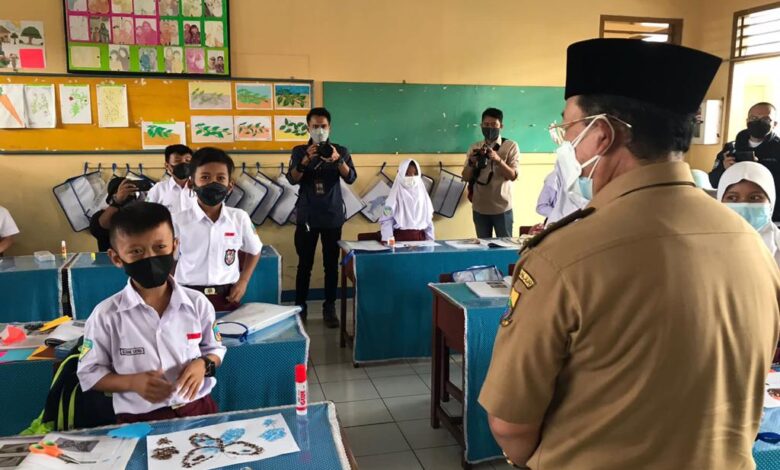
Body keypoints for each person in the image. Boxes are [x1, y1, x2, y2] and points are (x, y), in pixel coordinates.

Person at [479, 38, 780, 470]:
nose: (568, 145)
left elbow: (510, 424)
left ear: (601, 134)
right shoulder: (750, 242)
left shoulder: (562, 256)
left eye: (568, 129)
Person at [77, 202, 225, 424]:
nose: (150, 258)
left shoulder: (197, 303)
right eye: (136, 251)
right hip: (138, 419)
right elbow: (89, 373)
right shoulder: (106, 315)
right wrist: (132, 382)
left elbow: (214, 348)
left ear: (175, 246)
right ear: (117, 258)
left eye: (160, 247)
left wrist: (204, 364)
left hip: (198, 409)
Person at [287, 107, 357, 326]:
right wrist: (306, 160)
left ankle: (329, 308)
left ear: (330, 128)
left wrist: (338, 160)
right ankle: (301, 307)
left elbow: (352, 178)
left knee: (330, 265)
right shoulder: (299, 151)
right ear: (308, 127)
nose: (319, 130)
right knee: (304, 264)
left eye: (323, 126)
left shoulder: (341, 151)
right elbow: (292, 179)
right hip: (307, 216)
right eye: (315, 126)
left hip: (332, 216)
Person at [173, 147, 262, 312]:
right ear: (192, 183)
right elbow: (169, 261)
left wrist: (243, 281)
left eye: (221, 178)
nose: (213, 183)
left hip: (227, 298)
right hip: (188, 296)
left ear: (230, 185)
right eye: (205, 177)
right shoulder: (177, 221)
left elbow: (255, 250)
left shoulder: (239, 218)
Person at [709, 102, 780, 220]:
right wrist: (724, 169)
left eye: (766, 119)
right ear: (747, 121)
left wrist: (759, 170)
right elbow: (713, 181)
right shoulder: (731, 147)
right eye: (754, 118)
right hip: (734, 214)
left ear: (775, 124)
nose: (758, 122)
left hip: (771, 216)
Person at [462, 108, 519, 238]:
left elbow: (513, 176)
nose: (489, 128)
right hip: (480, 207)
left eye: (494, 125)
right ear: (481, 126)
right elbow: (465, 177)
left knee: (505, 248)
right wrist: (472, 162)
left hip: (502, 207)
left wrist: (498, 159)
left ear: (501, 126)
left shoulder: (511, 146)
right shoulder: (474, 147)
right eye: (486, 125)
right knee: (483, 248)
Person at [718, 161, 780, 265]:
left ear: (770, 202)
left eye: (755, 198)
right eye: (732, 198)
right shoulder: (705, 248)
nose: (744, 205)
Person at [379, 159, 434, 243]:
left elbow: (428, 219)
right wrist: (389, 243)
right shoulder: (393, 198)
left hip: (421, 240)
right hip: (399, 240)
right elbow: (386, 220)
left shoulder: (423, 196)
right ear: (400, 174)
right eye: (407, 174)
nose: (412, 177)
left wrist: (431, 241)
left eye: (415, 174)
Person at [89, 177, 139, 252]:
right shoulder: (100, 216)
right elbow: (100, 227)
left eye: (131, 196)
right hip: (109, 261)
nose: (129, 199)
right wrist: (117, 202)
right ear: (113, 197)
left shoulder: (139, 215)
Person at [146, 144, 197, 215]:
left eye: (187, 161)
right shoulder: (158, 189)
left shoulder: (200, 187)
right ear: (167, 166)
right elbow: (147, 215)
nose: (183, 165)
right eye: (177, 161)